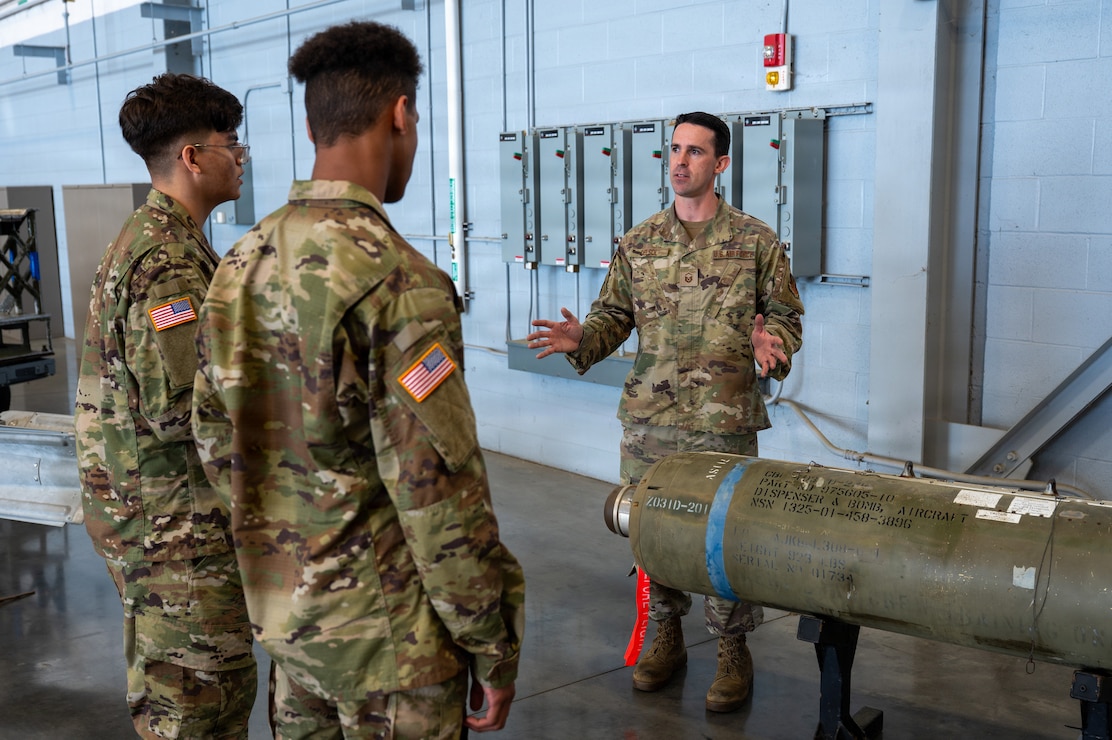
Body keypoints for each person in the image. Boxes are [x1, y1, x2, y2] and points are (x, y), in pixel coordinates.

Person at [191, 21, 524, 739]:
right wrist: (489, 641)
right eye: (415, 120)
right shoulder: (398, 280)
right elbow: (436, 493)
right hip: (391, 648)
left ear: (313, 126)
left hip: (291, 630)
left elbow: (216, 440)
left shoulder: (239, 265)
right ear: (400, 114)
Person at [526, 111, 804, 713]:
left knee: (723, 536)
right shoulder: (641, 241)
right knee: (652, 531)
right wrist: (584, 339)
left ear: (720, 164)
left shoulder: (757, 242)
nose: (680, 161)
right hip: (651, 422)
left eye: (695, 151)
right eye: (674, 149)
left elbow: (786, 317)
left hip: (724, 423)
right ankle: (666, 636)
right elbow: (613, 316)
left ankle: (732, 649)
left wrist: (772, 347)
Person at [73, 73, 256, 738]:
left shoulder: (156, 238)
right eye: (231, 144)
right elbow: (181, 410)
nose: (241, 157)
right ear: (192, 157)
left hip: (156, 518)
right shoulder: (168, 260)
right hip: (176, 531)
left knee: (183, 699)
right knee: (201, 705)